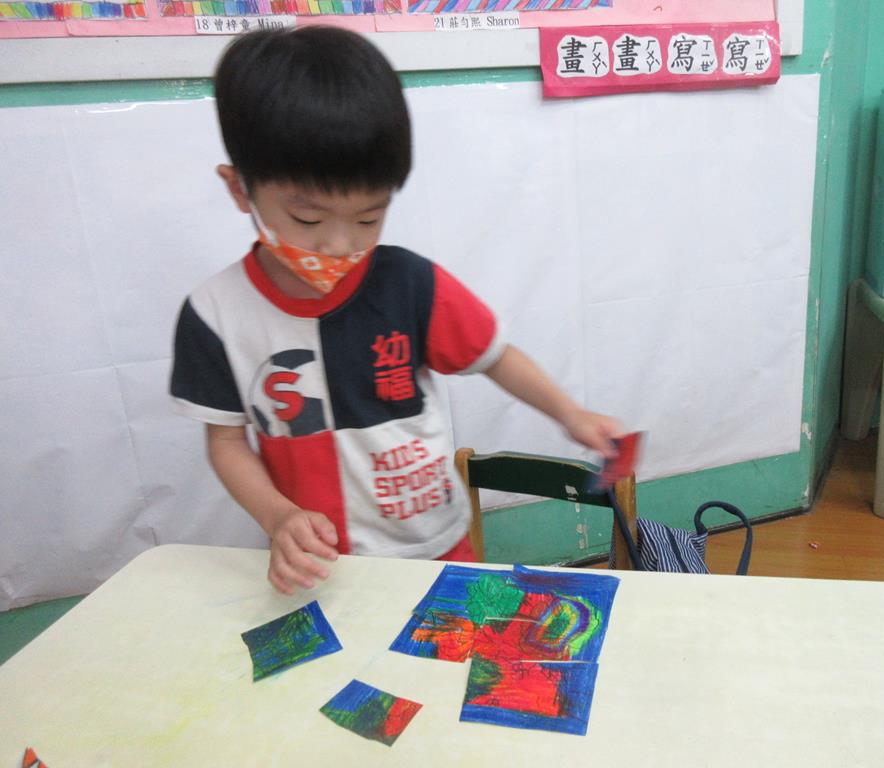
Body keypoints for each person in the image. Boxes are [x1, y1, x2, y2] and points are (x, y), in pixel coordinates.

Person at [170, 26, 621, 595]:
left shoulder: (411, 283)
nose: (340, 245)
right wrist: (278, 517)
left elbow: (495, 356)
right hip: (321, 565)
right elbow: (227, 442)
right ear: (240, 190)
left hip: (438, 547)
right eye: (308, 219)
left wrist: (569, 413)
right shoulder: (215, 315)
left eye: (369, 218)